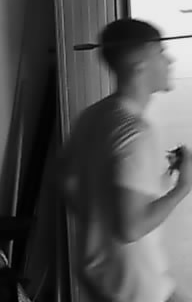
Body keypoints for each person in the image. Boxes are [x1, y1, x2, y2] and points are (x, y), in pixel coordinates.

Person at [57, 18, 192, 302]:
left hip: (100, 274)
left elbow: (69, 184)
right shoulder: (136, 132)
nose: (169, 61)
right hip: (135, 285)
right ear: (139, 66)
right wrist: (183, 187)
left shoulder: (93, 116)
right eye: (160, 53)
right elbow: (131, 228)